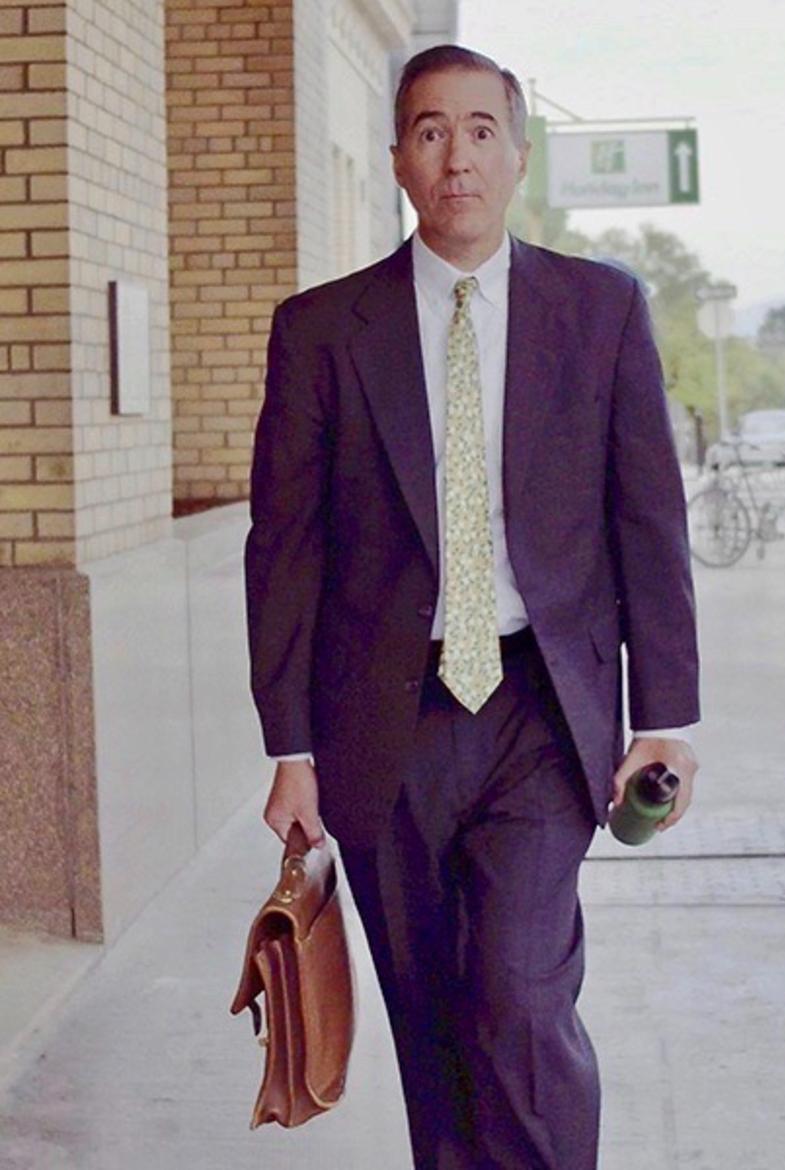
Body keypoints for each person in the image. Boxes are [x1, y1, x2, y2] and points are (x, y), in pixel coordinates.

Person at [244, 44, 699, 1169]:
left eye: (482, 131)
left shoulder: (600, 312)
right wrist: (290, 746)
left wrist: (669, 720)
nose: (458, 157)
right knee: (433, 1017)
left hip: (543, 712)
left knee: (522, 996)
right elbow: (284, 548)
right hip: (380, 724)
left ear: (519, 157)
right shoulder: (322, 330)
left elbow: (650, 520)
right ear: (399, 158)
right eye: (432, 131)